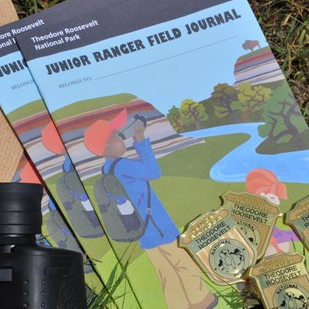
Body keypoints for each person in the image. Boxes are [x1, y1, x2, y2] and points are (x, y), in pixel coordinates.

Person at [84, 109, 216, 309]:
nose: (123, 139)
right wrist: (140, 141)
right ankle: (199, 300)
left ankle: (179, 305)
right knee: (183, 262)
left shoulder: (108, 169)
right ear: (107, 146)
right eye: (118, 137)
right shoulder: (122, 165)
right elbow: (153, 171)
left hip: (143, 231)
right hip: (158, 226)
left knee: (166, 273)